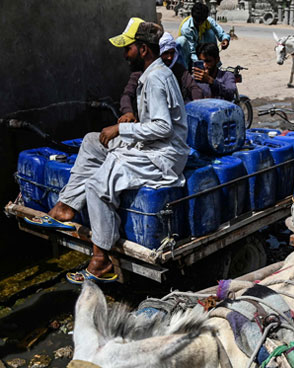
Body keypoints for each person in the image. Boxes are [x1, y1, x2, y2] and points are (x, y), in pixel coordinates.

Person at [46, 18, 189, 284]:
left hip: (162, 156)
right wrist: (130, 121)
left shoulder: (157, 79)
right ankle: (66, 206)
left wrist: (121, 130)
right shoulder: (151, 75)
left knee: (99, 185)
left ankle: (102, 258)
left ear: (143, 50)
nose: (125, 55)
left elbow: (163, 128)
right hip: (150, 146)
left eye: (128, 49)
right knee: (92, 142)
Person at [119, 30, 202, 123]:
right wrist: (128, 112)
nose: (169, 57)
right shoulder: (141, 72)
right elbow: (127, 94)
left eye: (172, 53)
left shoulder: (178, 69)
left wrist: (197, 105)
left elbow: (193, 87)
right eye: (166, 53)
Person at [176, 2, 231, 70]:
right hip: (188, 54)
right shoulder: (186, 28)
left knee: (210, 33)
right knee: (181, 41)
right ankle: (186, 70)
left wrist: (225, 39)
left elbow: (221, 33)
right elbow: (192, 51)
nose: (200, 23)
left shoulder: (207, 21)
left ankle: (214, 65)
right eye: (198, 21)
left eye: (202, 21)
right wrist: (200, 65)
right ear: (193, 17)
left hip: (201, 51)